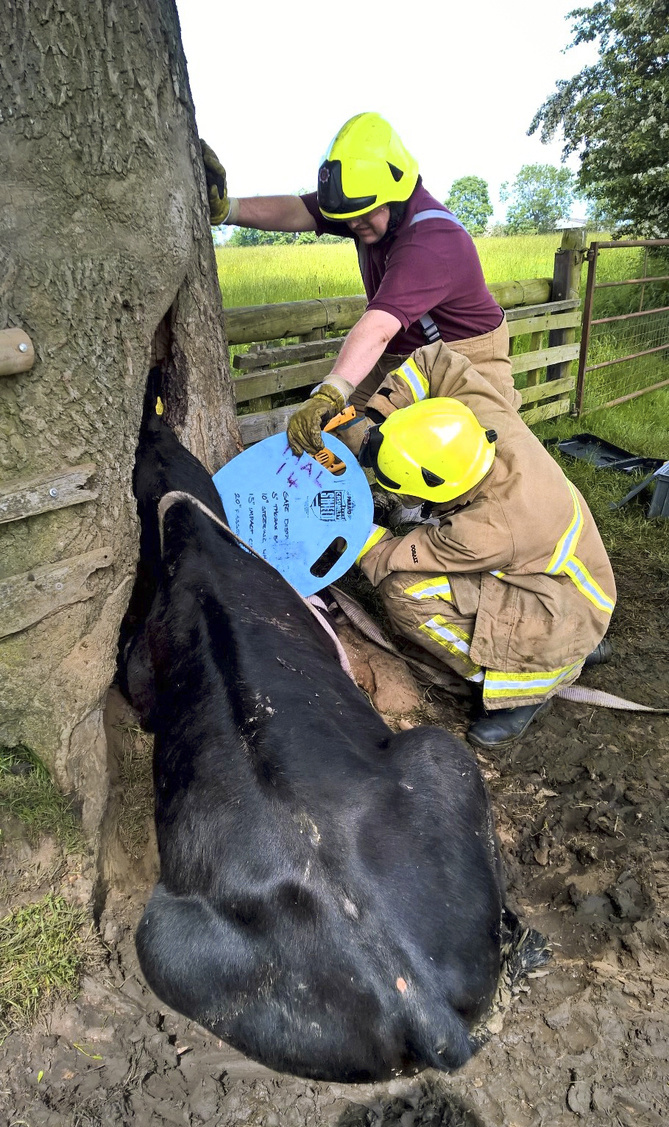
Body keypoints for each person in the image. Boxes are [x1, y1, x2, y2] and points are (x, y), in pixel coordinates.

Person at [202, 112, 521, 460]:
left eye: (363, 214)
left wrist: (330, 391)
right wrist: (227, 210)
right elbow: (298, 210)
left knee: (481, 458)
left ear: (396, 194)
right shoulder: (368, 209)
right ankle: (383, 504)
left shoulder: (431, 240)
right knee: (338, 426)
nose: (353, 224)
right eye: (346, 216)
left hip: (464, 357)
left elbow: (379, 327)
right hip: (403, 357)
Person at [350, 343, 616, 748]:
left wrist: (344, 525)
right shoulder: (480, 422)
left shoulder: (486, 529)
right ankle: (574, 651)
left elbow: (387, 557)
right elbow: (434, 361)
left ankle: (523, 688)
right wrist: (376, 414)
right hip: (580, 581)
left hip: (559, 603)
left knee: (404, 591)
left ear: (437, 490)